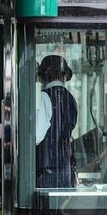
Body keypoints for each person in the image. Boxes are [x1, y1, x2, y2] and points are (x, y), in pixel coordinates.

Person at [35, 54, 77, 188]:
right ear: (64, 76)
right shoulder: (71, 99)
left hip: (46, 169)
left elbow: (37, 136)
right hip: (65, 166)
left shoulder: (43, 97)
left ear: (43, 76)